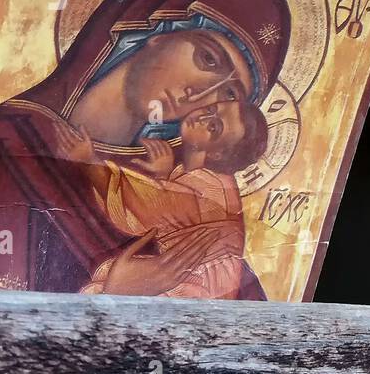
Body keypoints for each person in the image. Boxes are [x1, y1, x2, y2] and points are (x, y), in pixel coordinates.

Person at [0, 0, 290, 298]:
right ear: (158, 25)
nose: (199, 97)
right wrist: (116, 294)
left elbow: (236, 338)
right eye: (207, 58)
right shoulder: (6, 144)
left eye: (228, 94)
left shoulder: (195, 208)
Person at [53, 97, 269, 299]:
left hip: (193, 292)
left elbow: (138, 205)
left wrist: (88, 162)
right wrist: (162, 177)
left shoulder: (210, 191)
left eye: (214, 127)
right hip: (186, 280)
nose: (202, 118)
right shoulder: (210, 180)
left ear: (217, 154)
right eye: (211, 110)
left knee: (101, 290)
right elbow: (174, 209)